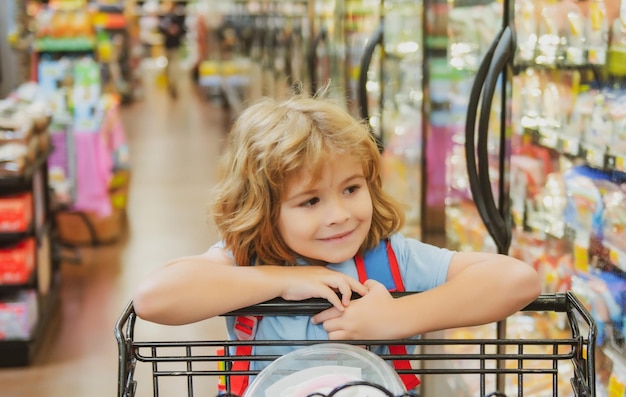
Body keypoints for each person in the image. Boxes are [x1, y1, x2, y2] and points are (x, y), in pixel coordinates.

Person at [133, 90, 541, 392]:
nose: (340, 215)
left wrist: (399, 317)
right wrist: (282, 281)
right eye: (310, 201)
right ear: (264, 209)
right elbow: (154, 298)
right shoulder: (245, 260)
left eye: (351, 189)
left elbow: (517, 280)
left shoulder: (389, 258)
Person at [158, 1, 186, 98]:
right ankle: (170, 84)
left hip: (175, 46)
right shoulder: (164, 17)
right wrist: (168, 31)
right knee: (168, 68)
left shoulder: (179, 18)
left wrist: (176, 31)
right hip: (167, 46)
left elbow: (183, 30)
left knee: (174, 67)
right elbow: (160, 29)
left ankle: (174, 86)